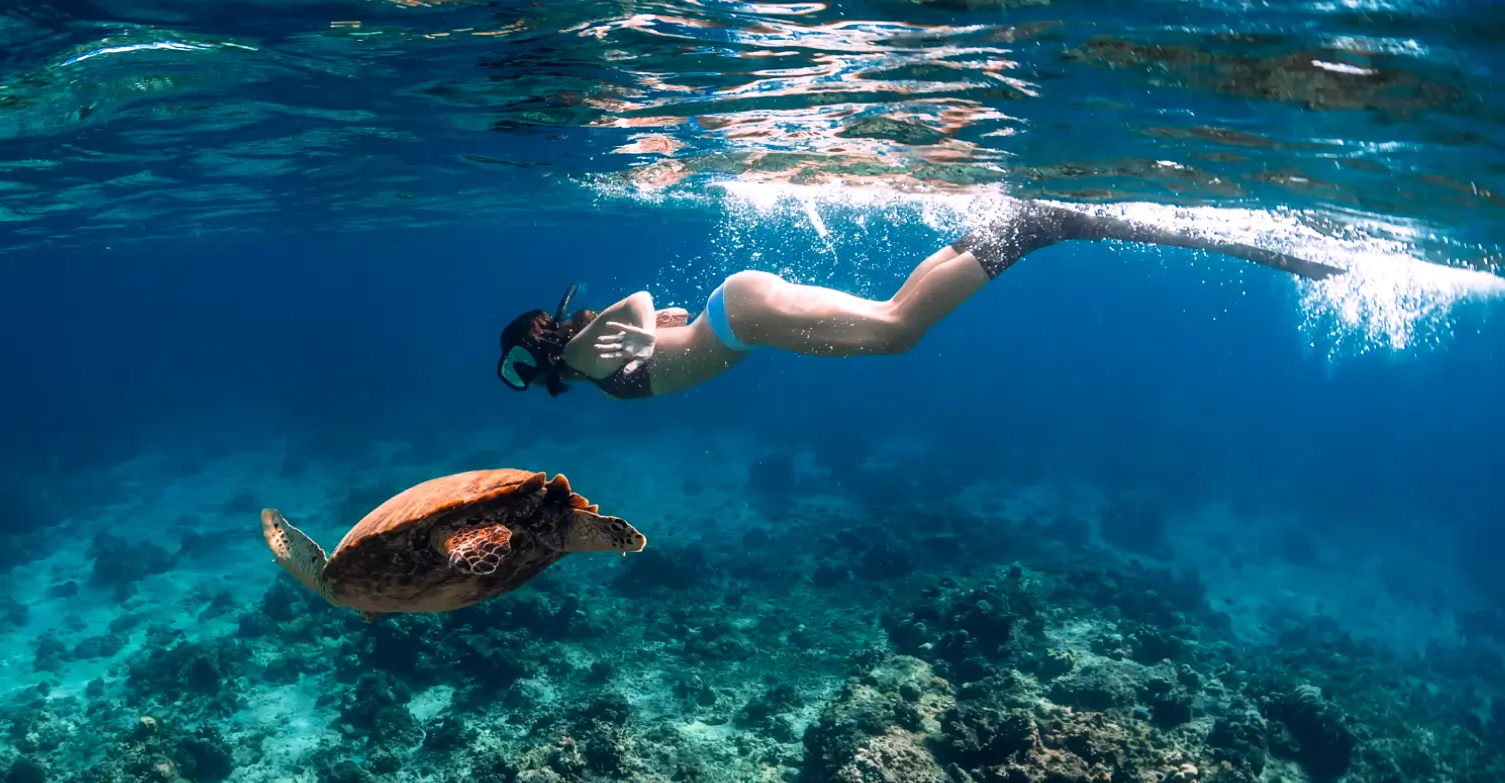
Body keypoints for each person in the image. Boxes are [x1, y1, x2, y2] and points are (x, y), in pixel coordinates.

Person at [494, 197, 1342, 400]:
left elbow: (642, 302)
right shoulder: (586, 358)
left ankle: (1033, 226)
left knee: (900, 331)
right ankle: (987, 229)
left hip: (742, 317)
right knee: (898, 309)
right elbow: (653, 318)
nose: (527, 381)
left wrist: (644, 332)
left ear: (535, 349)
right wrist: (660, 333)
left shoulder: (575, 356)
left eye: (517, 369)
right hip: (734, 316)